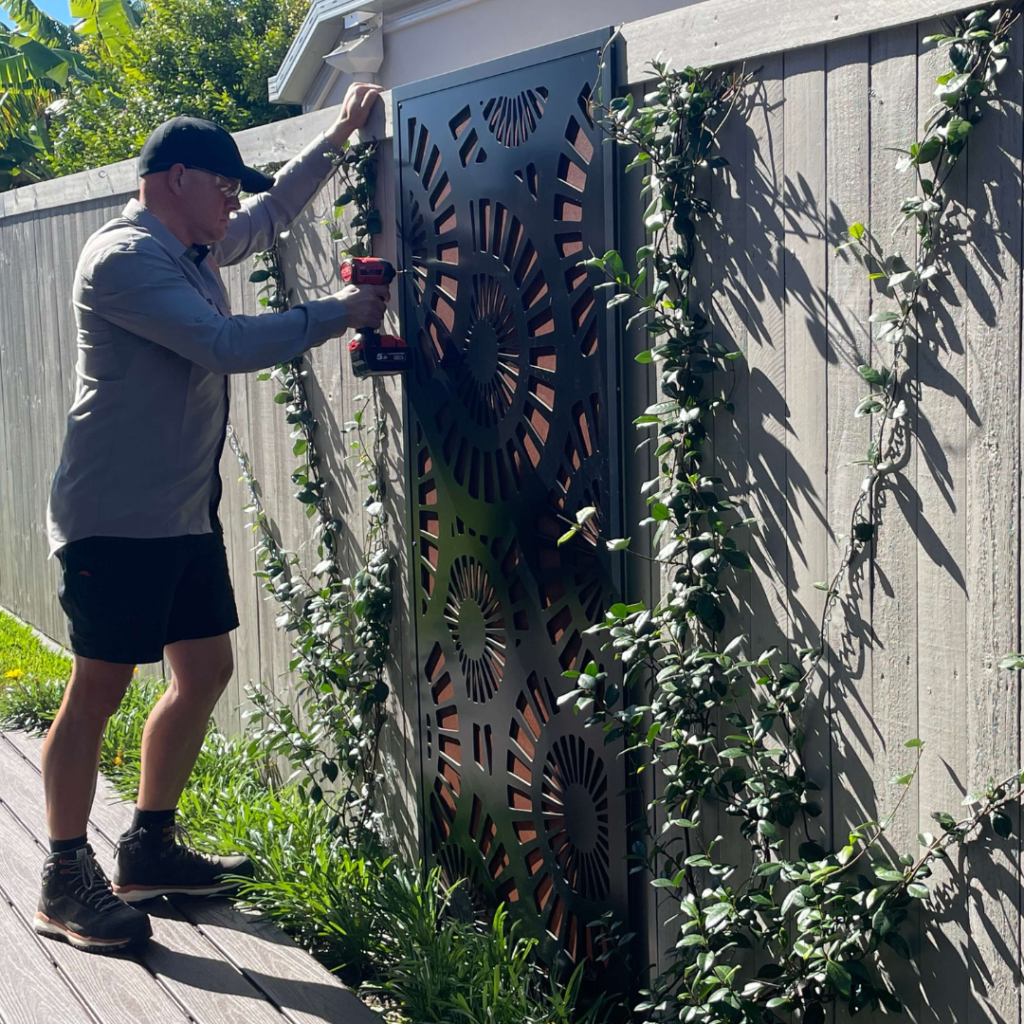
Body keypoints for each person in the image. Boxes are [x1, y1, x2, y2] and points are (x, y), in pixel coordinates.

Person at [35, 81, 389, 955]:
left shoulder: (190, 246)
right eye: (221, 182)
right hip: (115, 520)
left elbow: (265, 221)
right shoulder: (126, 258)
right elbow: (225, 347)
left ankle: (149, 847)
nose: (232, 197)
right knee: (99, 692)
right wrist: (339, 314)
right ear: (174, 177)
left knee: (204, 672)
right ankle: (62, 874)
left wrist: (338, 140)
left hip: (181, 513)